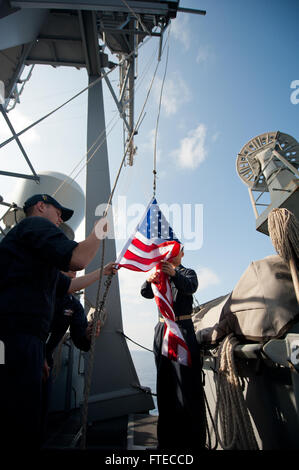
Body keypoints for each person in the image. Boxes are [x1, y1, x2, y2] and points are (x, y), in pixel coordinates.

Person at [0, 193, 115, 451]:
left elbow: (70, 284)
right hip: (18, 338)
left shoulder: (32, 253)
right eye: (58, 211)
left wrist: (103, 271)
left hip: (19, 340)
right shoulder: (33, 226)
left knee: (21, 415)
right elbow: (79, 258)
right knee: (19, 421)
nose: (60, 217)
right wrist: (100, 229)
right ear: (41, 207)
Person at [140, 248, 207, 451]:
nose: (171, 254)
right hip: (163, 331)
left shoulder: (188, 273)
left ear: (182, 254)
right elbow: (145, 293)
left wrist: (174, 274)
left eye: (176, 251)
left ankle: (193, 443)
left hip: (182, 330)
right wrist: (148, 278)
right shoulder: (158, 275)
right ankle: (166, 442)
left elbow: (191, 286)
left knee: (188, 387)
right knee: (165, 386)